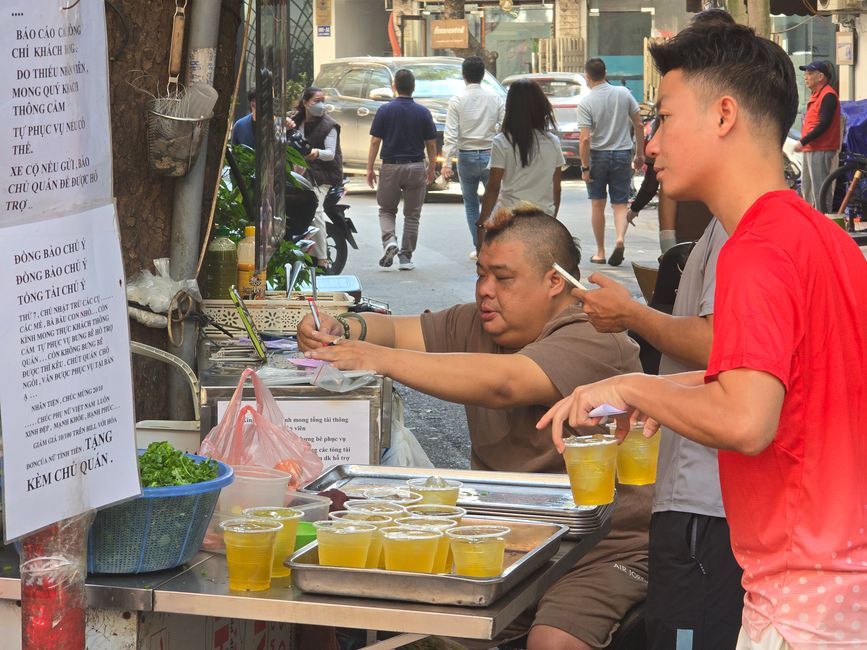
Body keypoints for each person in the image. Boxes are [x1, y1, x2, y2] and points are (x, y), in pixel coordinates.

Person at [540, 19, 867, 649]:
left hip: (803, 603)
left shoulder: (755, 248)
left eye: (663, 117)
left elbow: (746, 419)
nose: (650, 144)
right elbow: (791, 386)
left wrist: (637, 388)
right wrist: (629, 387)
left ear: (723, 116)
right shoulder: (826, 238)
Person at [298, 205, 651, 650]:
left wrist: (373, 357)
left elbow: (505, 384)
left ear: (555, 282)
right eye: (481, 274)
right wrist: (344, 326)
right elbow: (396, 332)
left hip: (603, 546)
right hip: (502, 531)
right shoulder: (482, 323)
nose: (485, 290)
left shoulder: (595, 336)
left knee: (553, 641)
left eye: (503, 278)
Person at [577, 215, 742, 649]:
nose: (652, 149)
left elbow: (720, 348)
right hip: (706, 495)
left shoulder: (737, 229)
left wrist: (632, 315)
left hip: (706, 498)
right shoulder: (736, 226)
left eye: (662, 139)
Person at [367, 69, 437, 271]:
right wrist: (431, 168)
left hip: (390, 166)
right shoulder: (423, 112)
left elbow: (374, 142)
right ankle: (406, 258)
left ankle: (390, 241)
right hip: (416, 166)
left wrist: (369, 168)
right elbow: (431, 144)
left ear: (394, 87)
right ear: (413, 88)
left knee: (387, 210)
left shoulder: (385, 110)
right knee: (412, 214)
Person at [578, 58, 645, 267]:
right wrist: (639, 154)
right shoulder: (624, 94)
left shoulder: (586, 102)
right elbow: (639, 124)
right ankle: (619, 239)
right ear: (605, 73)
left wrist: (585, 167)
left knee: (597, 204)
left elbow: (585, 139)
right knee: (620, 204)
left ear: (587, 77)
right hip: (622, 154)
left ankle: (600, 252)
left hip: (598, 156)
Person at [441, 56, 505, 259]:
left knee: (471, 204)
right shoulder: (495, 98)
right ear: (483, 75)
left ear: (463, 75)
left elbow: (450, 133)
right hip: (491, 154)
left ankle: (480, 247)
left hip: (466, 156)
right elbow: (504, 127)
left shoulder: (457, 100)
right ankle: (494, 245)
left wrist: (447, 162)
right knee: (494, 202)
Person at [478, 80, 564, 224]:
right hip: (543, 217)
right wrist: (552, 217)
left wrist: (482, 222)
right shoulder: (553, 142)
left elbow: (493, 186)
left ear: (511, 107)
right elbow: (557, 188)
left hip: (509, 217)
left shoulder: (502, 141)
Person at [287, 87, 342, 269]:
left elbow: (330, 154)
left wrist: (315, 153)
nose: (320, 104)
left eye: (322, 100)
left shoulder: (329, 125)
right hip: (296, 174)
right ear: (305, 102)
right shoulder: (294, 120)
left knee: (315, 210)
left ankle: (322, 259)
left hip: (322, 176)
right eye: (316, 100)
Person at [793, 60, 841, 212]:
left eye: (809, 73)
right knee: (807, 190)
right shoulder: (817, 95)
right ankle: (810, 222)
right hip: (811, 148)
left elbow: (824, 124)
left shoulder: (828, 96)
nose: (805, 77)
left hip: (821, 148)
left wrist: (803, 141)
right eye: (805, 73)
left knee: (820, 191)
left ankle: (823, 224)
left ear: (820, 76)